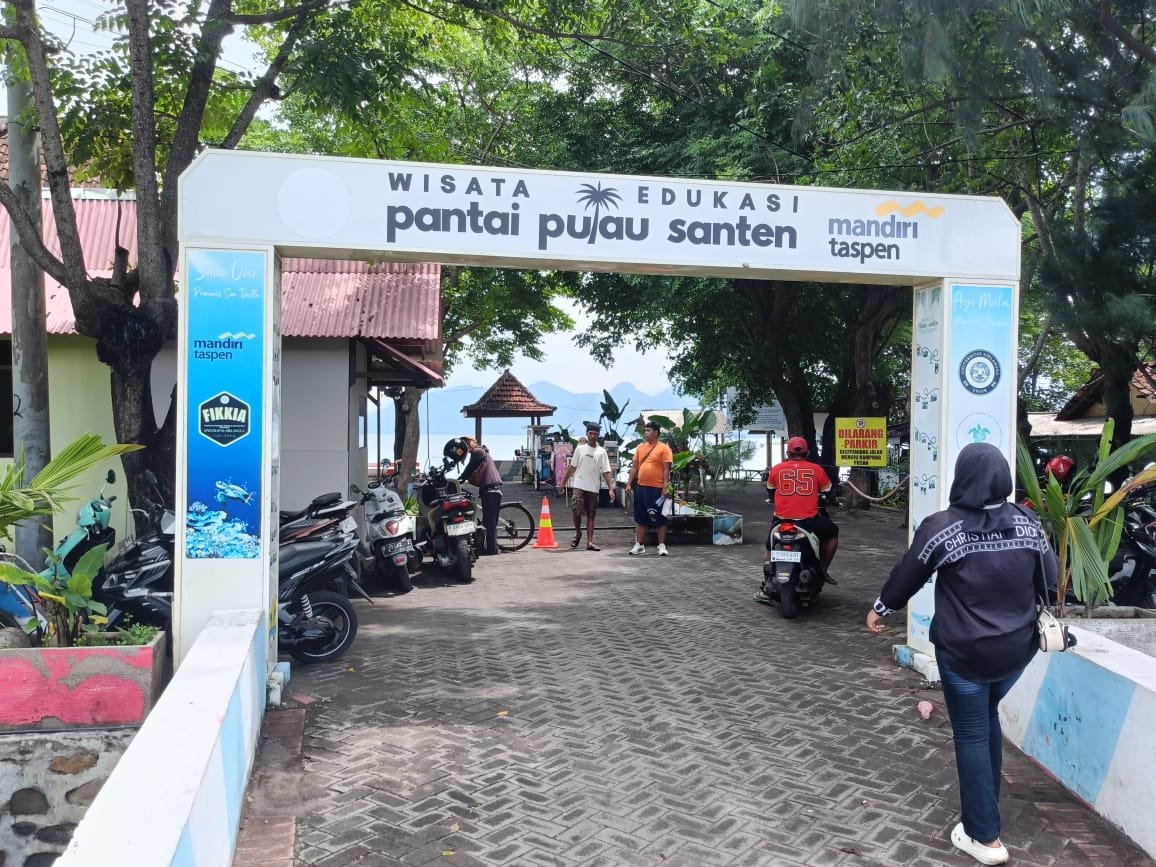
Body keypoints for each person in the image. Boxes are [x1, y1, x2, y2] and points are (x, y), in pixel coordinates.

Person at [865, 442, 1058, 866]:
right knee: (986, 717)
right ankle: (986, 803)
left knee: (971, 733)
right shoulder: (1028, 522)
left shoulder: (942, 528)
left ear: (962, 478)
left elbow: (908, 574)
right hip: (1016, 652)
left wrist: (881, 609)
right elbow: (1051, 577)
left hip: (965, 655)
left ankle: (983, 836)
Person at [756, 436, 839, 602]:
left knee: (769, 550)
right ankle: (823, 569)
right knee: (833, 534)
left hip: (781, 520)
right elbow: (829, 492)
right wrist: (834, 500)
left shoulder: (777, 469)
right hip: (808, 520)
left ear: (788, 453)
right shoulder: (816, 469)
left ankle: (766, 587)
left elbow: (770, 491)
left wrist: (774, 498)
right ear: (807, 453)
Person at [445, 436, 502, 556]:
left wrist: (461, 478)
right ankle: (492, 547)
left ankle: (491, 549)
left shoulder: (478, 451)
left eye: (467, 443)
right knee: (490, 521)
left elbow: (471, 466)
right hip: (491, 490)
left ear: (472, 442)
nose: (465, 447)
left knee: (489, 523)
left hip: (491, 490)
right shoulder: (480, 452)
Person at [562, 424, 615, 551]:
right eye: (590, 433)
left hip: (593, 487)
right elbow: (572, 467)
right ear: (587, 434)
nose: (593, 436)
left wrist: (610, 489)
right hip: (579, 485)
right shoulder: (580, 449)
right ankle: (578, 533)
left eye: (595, 434)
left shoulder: (602, 452)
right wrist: (563, 483)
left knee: (591, 515)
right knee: (576, 510)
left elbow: (606, 471)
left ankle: (589, 542)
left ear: (598, 435)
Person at [627, 420, 673, 556]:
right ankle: (639, 545)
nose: (645, 433)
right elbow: (634, 467)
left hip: (656, 488)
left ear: (656, 433)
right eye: (645, 430)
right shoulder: (640, 448)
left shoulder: (664, 448)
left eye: (648, 430)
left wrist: (665, 486)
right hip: (641, 488)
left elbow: (666, 469)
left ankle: (661, 546)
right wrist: (629, 483)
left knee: (659, 517)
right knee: (640, 517)